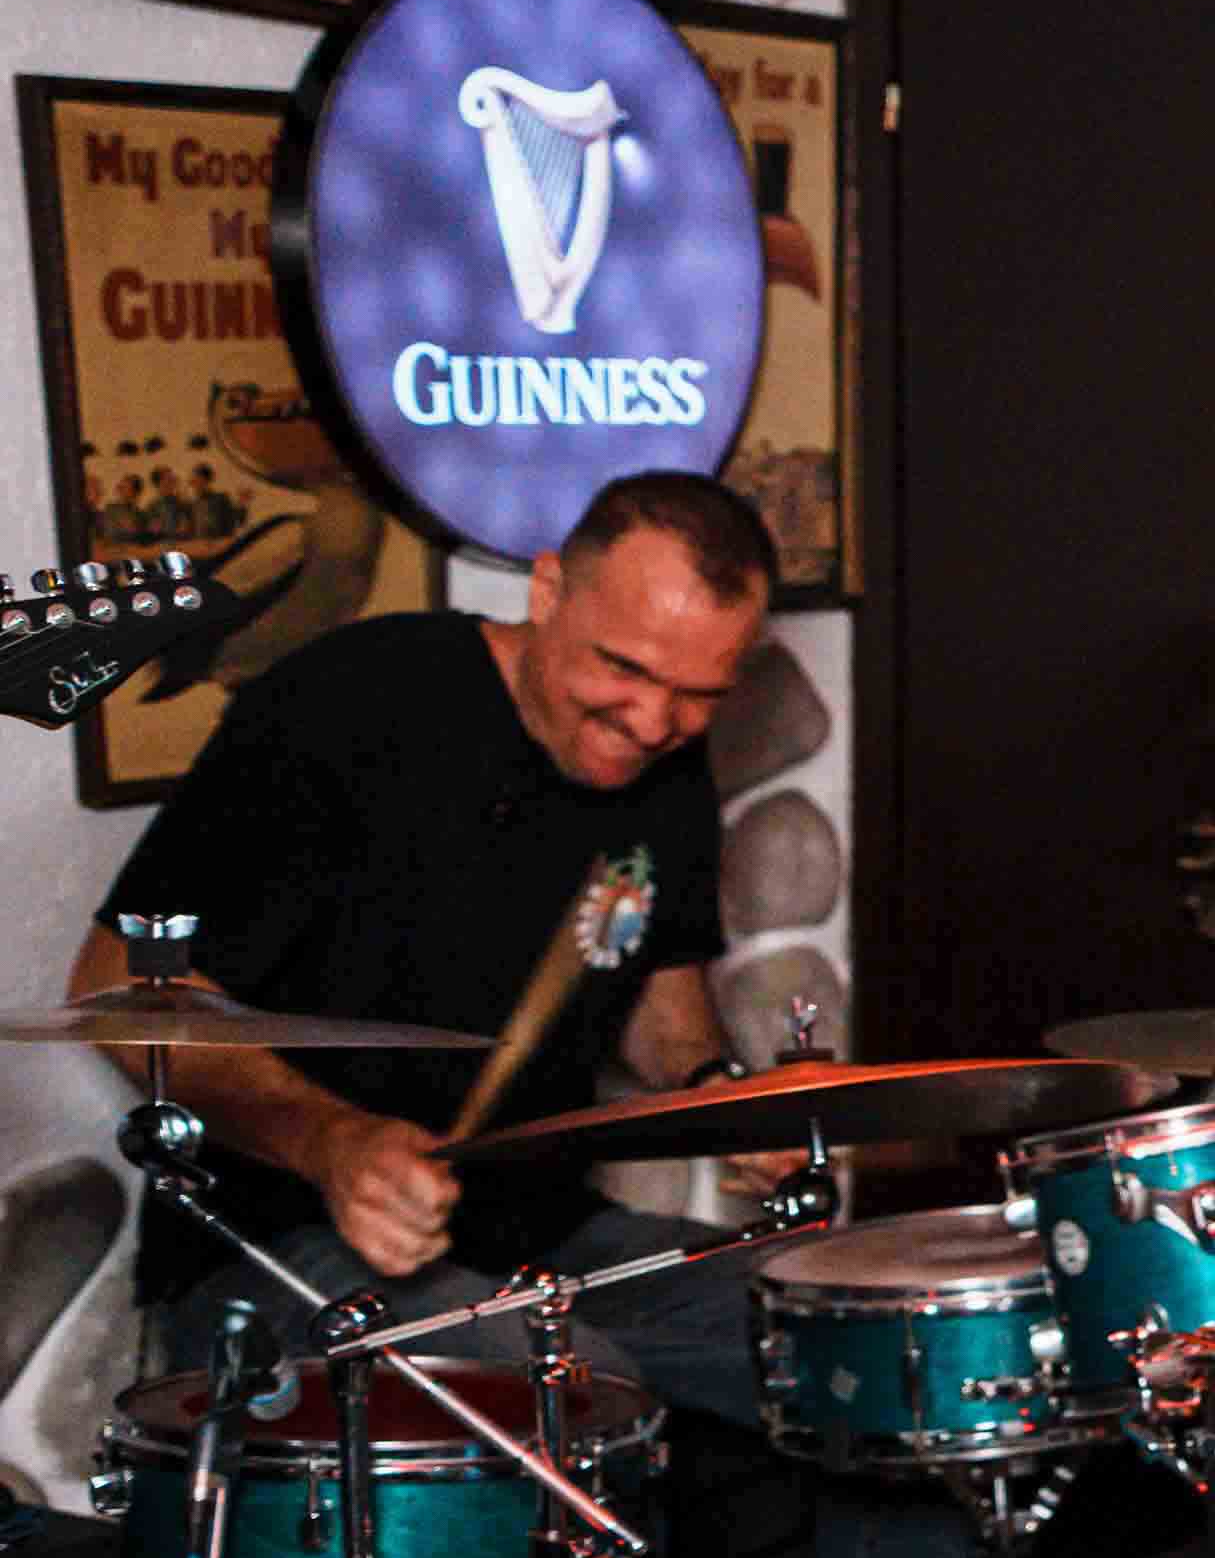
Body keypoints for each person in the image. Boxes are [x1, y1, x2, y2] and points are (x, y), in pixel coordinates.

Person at [76, 469, 788, 1434]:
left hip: (537, 1235)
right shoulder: (345, 706)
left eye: (698, 693)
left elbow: (659, 994)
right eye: (624, 668)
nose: (655, 721)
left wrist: (718, 1089)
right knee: (565, 1391)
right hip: (276, 1243)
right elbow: (118, 984)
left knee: (808, 1321)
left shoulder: (665, 764)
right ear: (548, 591)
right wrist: (330, 1143)